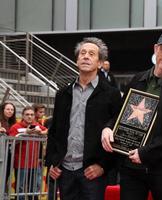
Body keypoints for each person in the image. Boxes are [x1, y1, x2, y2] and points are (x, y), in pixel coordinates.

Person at [101, 32, 162, 200]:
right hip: (131, 168)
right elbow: (120, 114)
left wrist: (145, 152)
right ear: (155, 49)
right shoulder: (137, 80)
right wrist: (108, 128)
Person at [45, 37, 122, 200]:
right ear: (77, 60)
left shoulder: (111, 94)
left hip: (92, 173)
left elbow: (117, 133)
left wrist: (103, 166)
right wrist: (52, 162)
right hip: (64, 170)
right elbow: (55, 131)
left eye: (92, 54)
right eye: (83, 53)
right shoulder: (63, 93)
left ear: (100, 63)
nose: (86, 56)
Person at [9, 106, 48, 200]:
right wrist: (25, 133)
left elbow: (48, 130)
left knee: (35, 189)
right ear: (22, 116)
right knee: (20, 189)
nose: (29, 117)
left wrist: (41, 133)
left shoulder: (37, 125)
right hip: (21, 164)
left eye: (31, 115)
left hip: (35, 164)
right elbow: (10, 142)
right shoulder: (15, 126)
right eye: (27, 114)